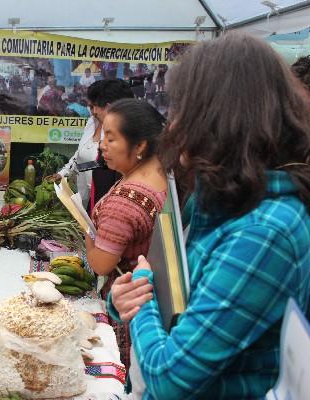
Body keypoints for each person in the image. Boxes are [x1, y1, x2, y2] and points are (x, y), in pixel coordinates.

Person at [111, 34, 310, 399]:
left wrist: (141, 297)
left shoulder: (264, 231)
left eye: (184, 110)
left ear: (221, 117)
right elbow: (184, 297)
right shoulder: (224, 198)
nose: (172, 128)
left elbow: (170, 377)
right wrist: (128, 296)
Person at [85, 98, 167, 372]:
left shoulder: (126, 201)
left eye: (111, 138)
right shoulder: (161, 175)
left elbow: (101, 264)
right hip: (150, 303)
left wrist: (86, 227)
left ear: (140, 145)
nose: (102, 146)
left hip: (127, 312)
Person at [52, 79, 133, 209]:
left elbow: (102, 166)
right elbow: (80, 153)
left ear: (109, 107)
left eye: (93, 106)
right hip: (86, 198)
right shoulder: (92, 122)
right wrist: (64, 173)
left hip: (105, 202)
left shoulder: (124, 137)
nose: (92, 111)